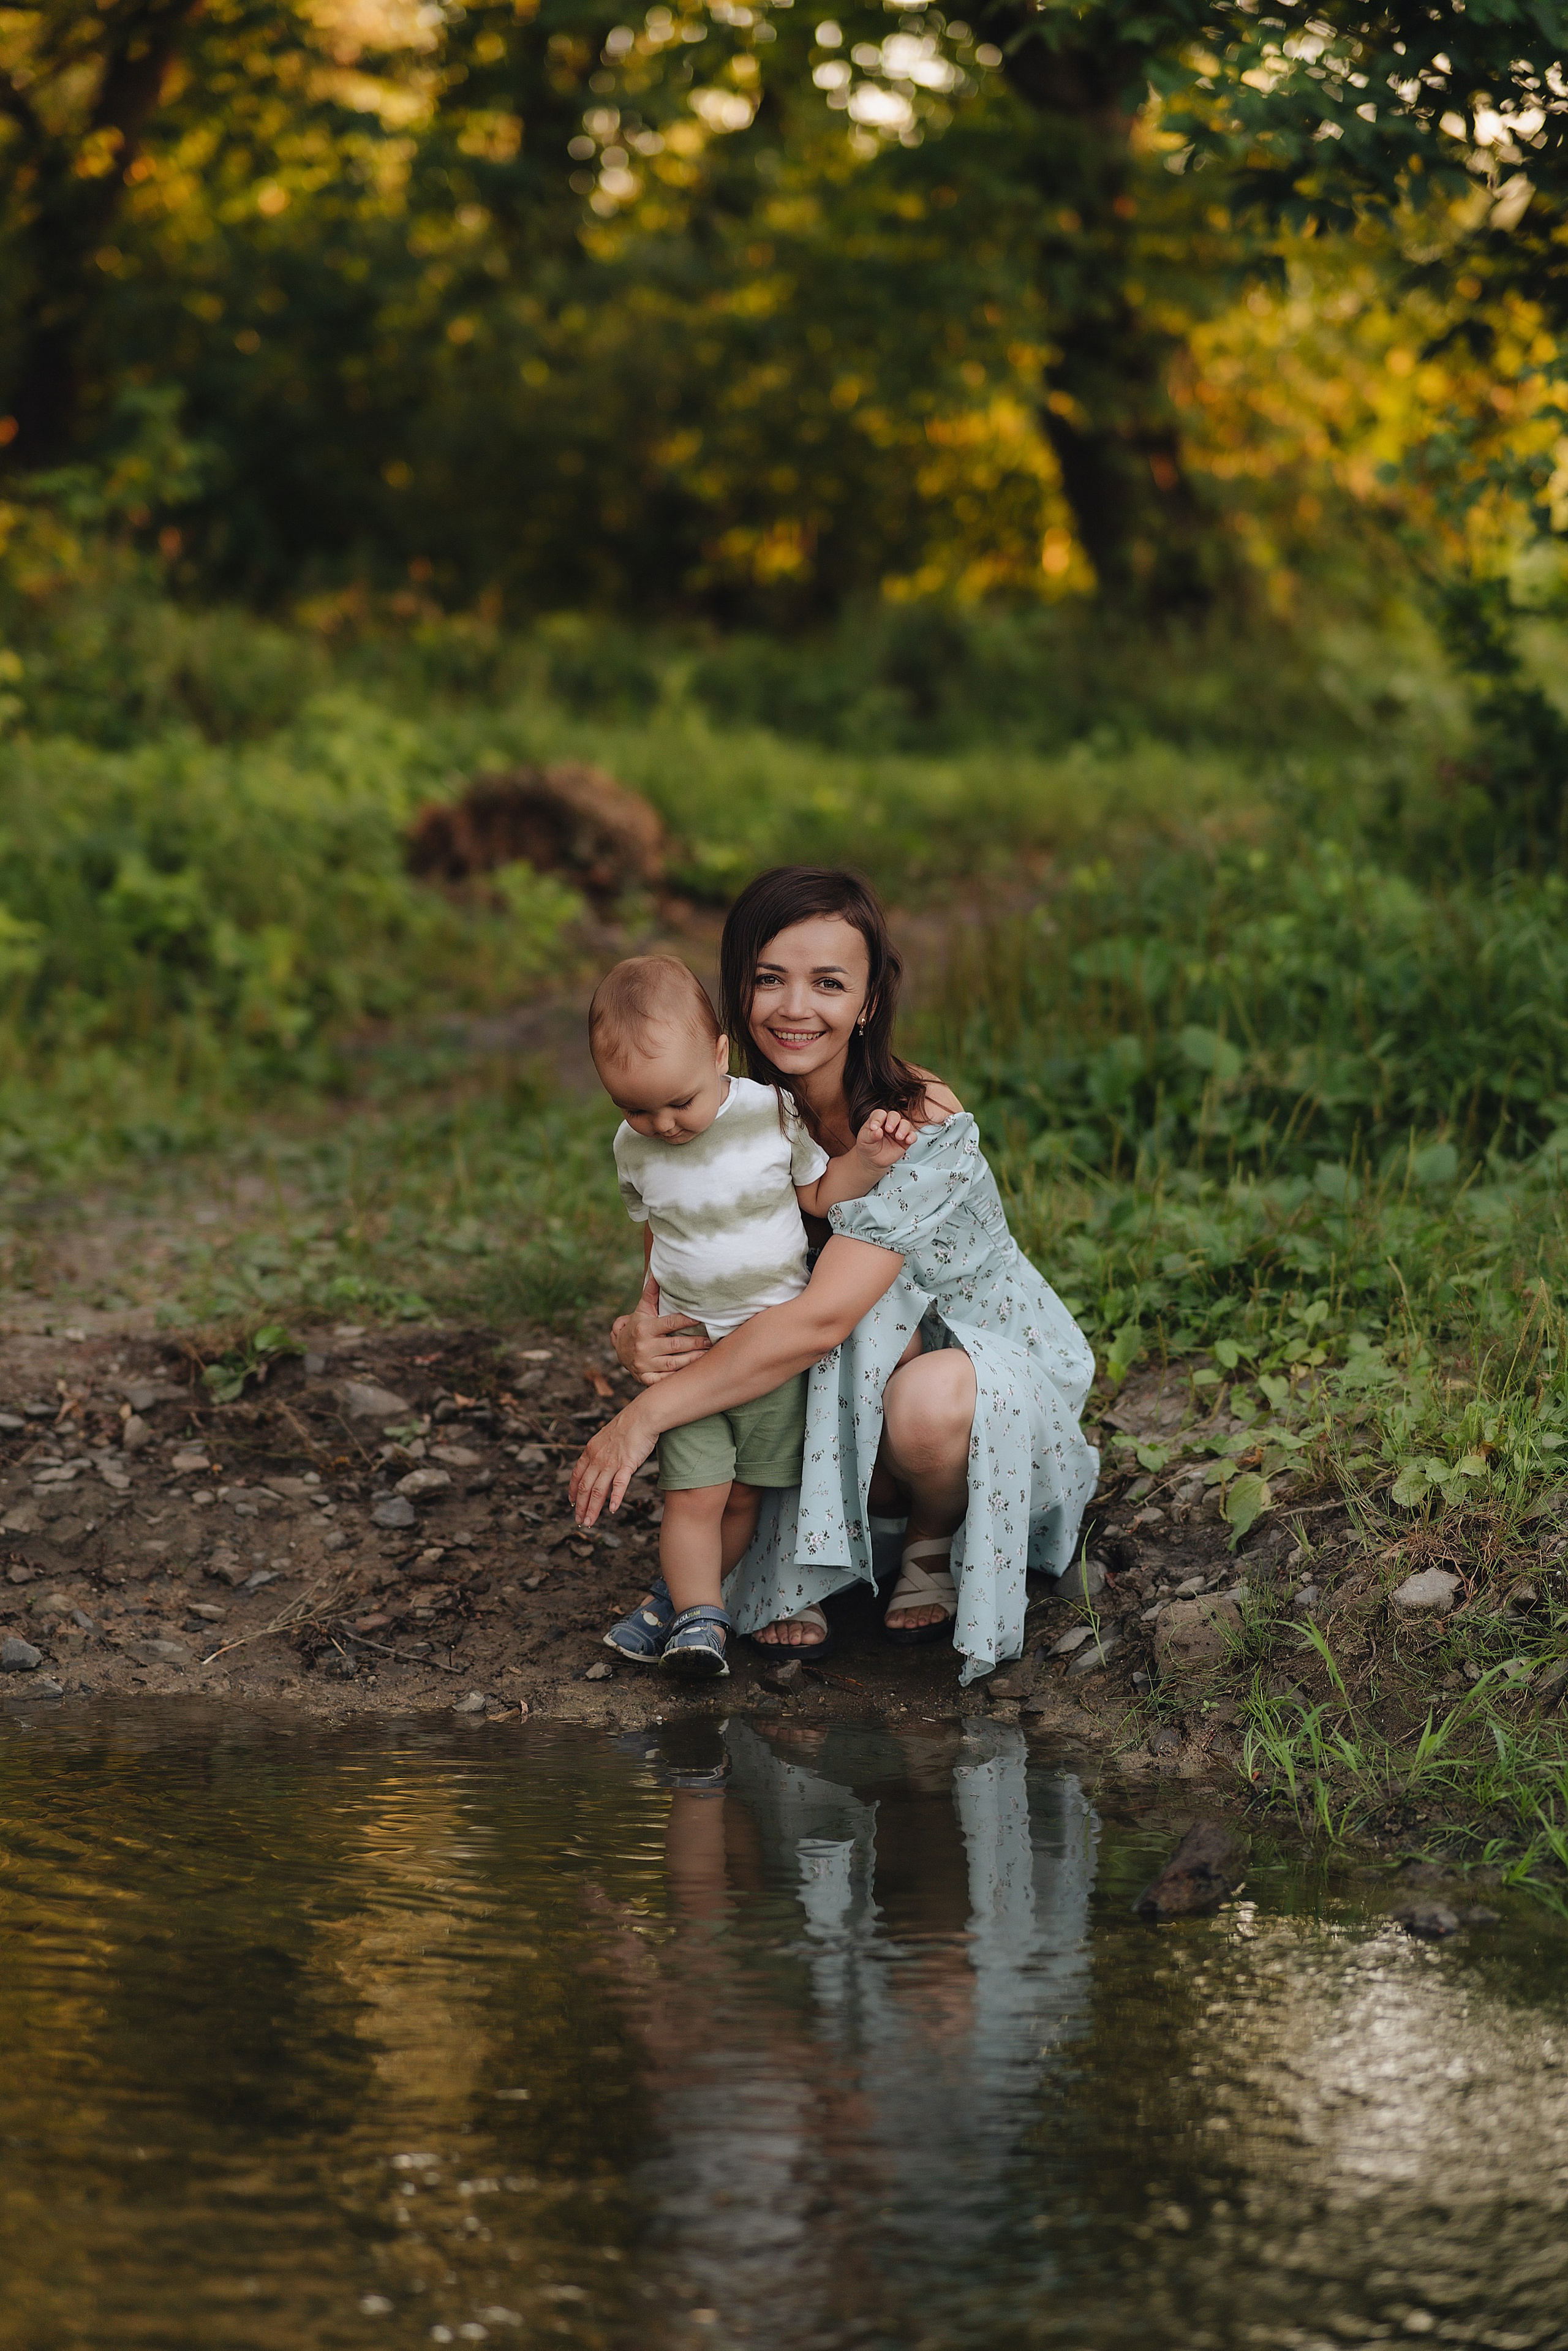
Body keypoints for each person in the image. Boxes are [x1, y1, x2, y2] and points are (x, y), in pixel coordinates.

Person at [572, 869, 1099, 1683]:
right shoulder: (721, 1115)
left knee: (918, 1397)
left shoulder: (915, 1120)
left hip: (959, 1381)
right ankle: (810, 1556)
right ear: (735, 992)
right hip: (823, 1380)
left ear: (869, 1003)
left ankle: (930, 1534)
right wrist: (638, 1332)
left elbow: (820, 1318)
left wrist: (642, 1417)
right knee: (780, 1380)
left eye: (828, 983)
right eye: (769, 978)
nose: (794, 1008)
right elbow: (688, 1261)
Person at [587, 952, 917, 1677]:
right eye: (636, 1109)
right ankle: (703, 1621)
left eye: (679, 1101)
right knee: (696, 1494)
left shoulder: (769, 1112)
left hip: (772, 1349)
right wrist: (642, 1308)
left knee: (748, 1494)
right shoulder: (632, 1146)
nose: (664, 1124)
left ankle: (668, 1605)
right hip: (690, 1353)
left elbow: (817, 1197)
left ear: (717, 1053)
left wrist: (867, 1159)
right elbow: (658, 1232)